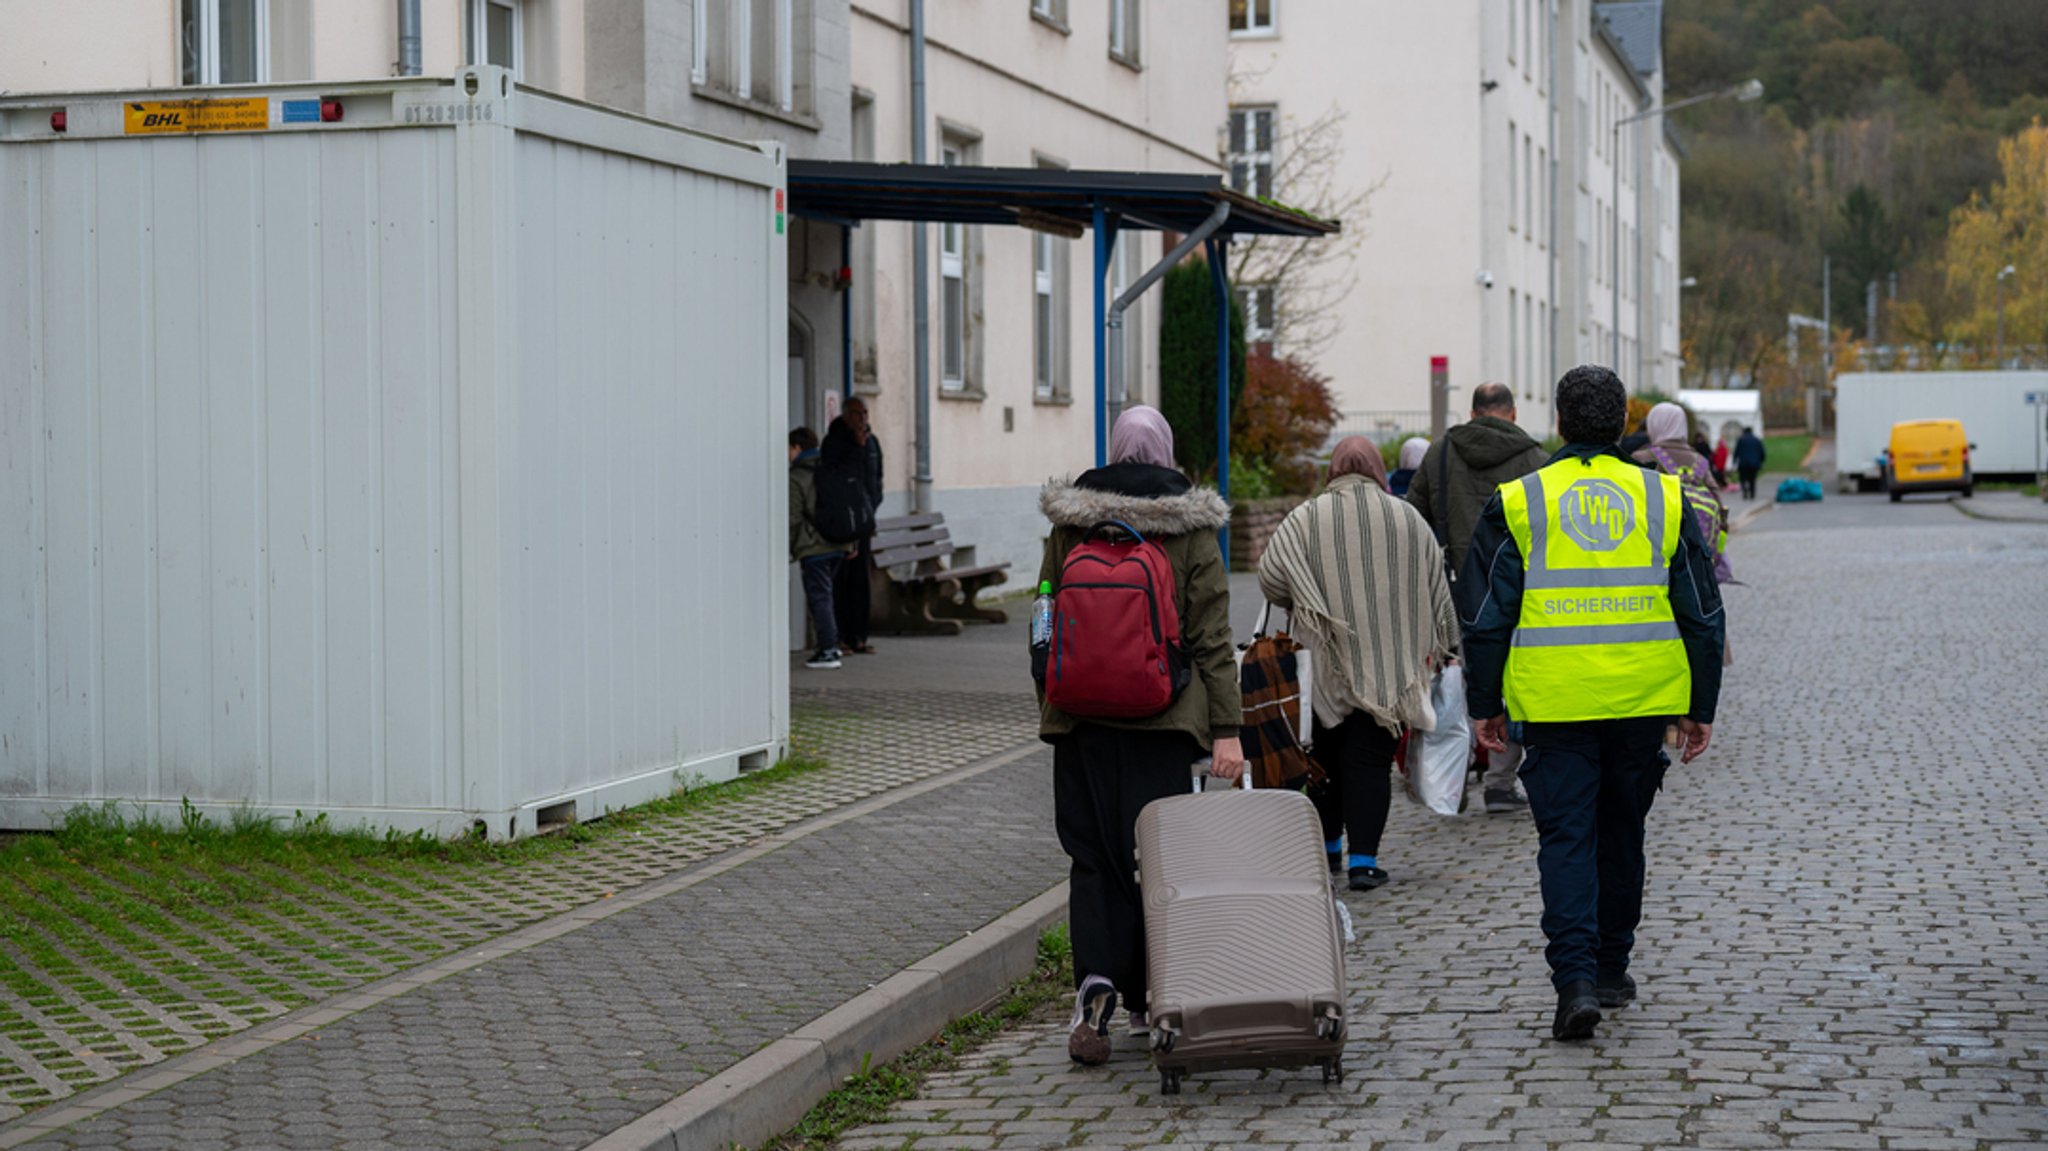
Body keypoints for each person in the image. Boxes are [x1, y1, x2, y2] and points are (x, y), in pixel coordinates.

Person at [1458, 365, 1725, 1042]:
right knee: (1622, 832)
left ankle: (1574, 979)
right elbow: (1701, 610)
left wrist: (1483, 701)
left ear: (1556, 422)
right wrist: (1701, 704)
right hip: (1642, 700)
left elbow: (1488, 614)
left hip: (1554, 702)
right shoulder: (1664, 498)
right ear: (1619, 424)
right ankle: (1611, 967)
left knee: (1567, 839)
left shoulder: (1521, 501)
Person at [1038, 405, 1244, 1066]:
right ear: (1166, 453)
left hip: (1081, 722)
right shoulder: (1191, 527)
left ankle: (1096, 980)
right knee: (1155, 862)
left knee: (1092, 858)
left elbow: (1044, 617)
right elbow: (1212, 638)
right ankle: (1152, 992)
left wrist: (1054, 692)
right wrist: (1227, 731)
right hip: (1164, 721)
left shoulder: (1071, 522)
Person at [1259, 437, 1458, 891]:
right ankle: (1364, 862)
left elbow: (1271, 577)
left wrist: (1306, 598)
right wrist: (1444, 643)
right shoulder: (1407, 517)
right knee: (1369, 762)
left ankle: (1328, 851)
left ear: (1332, 470)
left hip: (1321, 662)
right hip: (1389, 667)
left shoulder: (1305, 517)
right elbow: (1435, 588)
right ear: (1377, 470)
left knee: (1323, 758)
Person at [1405, 382, 1548, 814]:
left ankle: (1451, 778)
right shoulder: (1534, 459)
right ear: (1513, 413)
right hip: (1515, 589)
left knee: (1454, 683)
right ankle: (1501, 782)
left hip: (1451, 589)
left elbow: (1414, 518)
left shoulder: (1441, 453)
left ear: (1472, 412)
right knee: (1509, 683)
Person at [825, 398, 884, 654]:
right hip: (842, 523)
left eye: (865, 413)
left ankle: (858, 636)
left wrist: (871, 509)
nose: (862, 418)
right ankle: (838, 636)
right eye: (857, 413)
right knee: (841, 582)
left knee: (861, 582)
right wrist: (856, 448)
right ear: (846, 415)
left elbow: (876, 478)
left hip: (863, 522)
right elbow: (836, 476)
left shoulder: (872, 442)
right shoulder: (836, 441)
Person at [788, 427, 847, 670]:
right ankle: (831, 643)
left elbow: (792, 517)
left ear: (797, 448)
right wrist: (851, 542)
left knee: (819, 598)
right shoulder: (832, 467)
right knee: (829, 595)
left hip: (813, 547)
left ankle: (828, 650)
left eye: (789, 450)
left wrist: (790, 548)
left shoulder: (797, 477)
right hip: (838, 543)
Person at [1733, 425, 1767, 500]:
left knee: (1743, 478)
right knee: (1752, 479)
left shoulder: (1741, 440)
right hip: (1754, 463)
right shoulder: (1757, 440)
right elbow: (1762, 452)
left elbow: (1736, 451)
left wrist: (1734, 461)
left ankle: (1745, 491)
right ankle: (1752, 493)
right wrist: (1761, 461)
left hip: (1743, 463)